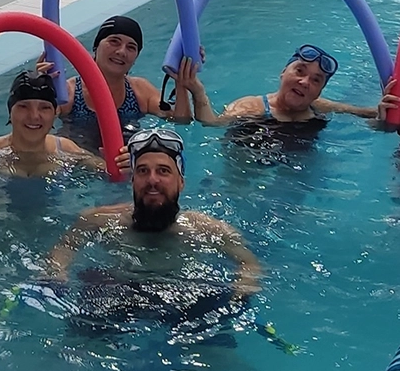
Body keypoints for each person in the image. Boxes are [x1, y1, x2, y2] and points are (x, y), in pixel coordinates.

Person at [45, 127, 262, 299]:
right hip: (118, 290)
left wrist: (244, 284)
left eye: (163, 171)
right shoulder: (97, 220)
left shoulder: (209, 229)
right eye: (142, 171)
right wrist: (58, 272)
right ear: (133, 181)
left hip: (184, 293)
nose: (152, 180)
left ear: (181, 183)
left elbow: (249, 264)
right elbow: (65, 248)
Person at [0, 70, 128, 178]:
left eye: (44, 108)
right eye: (23, 106)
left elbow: (109, 173)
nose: (34, 116)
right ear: (10, 111)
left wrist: (126, 165)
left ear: (55, 113)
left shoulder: (66, 149)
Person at [175, 44, 376, 125]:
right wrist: (198, 92)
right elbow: (213, 124)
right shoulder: (251, 107)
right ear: (283, 72)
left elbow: (365, 113)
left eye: (316, 80)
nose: (305, 82)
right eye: (300, 70)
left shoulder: (319, 106)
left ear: (318, 92)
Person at [55, 16, 190, 133]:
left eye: (131, 47)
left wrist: (181, 82)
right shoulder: (69, 91)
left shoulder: (140, 90)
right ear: (96, 47)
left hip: (128, 160)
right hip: (79, 160)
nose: (121, 52)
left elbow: (180, 122)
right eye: (114, 41)